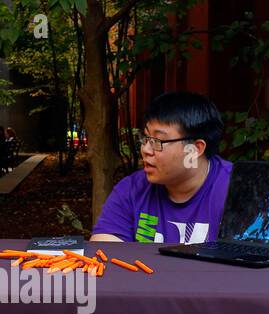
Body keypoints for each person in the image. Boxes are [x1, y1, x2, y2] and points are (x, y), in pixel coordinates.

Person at [90, 91, 232, 244]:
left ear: (195, 149)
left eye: (158, 141)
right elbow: (104, 251)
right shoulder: (132, 190)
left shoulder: (237, 190)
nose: (145, 150)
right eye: (145, 138)